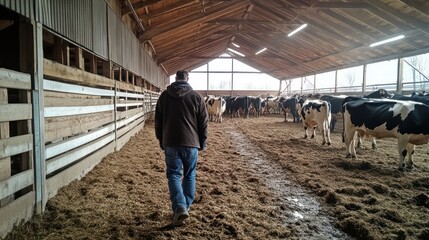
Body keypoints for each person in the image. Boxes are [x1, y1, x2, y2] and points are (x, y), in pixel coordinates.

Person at [155, 70, 208, 227]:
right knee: (190, 174)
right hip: (192, 143)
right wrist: (202, 142)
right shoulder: (197, 97)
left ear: (175, 78)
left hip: (170, 142)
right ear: (187, 78)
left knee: (173, 175)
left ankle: (179, 206)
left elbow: (158, 120)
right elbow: (204, 123)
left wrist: (161, 140)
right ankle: (185, 206)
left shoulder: (164, 96)